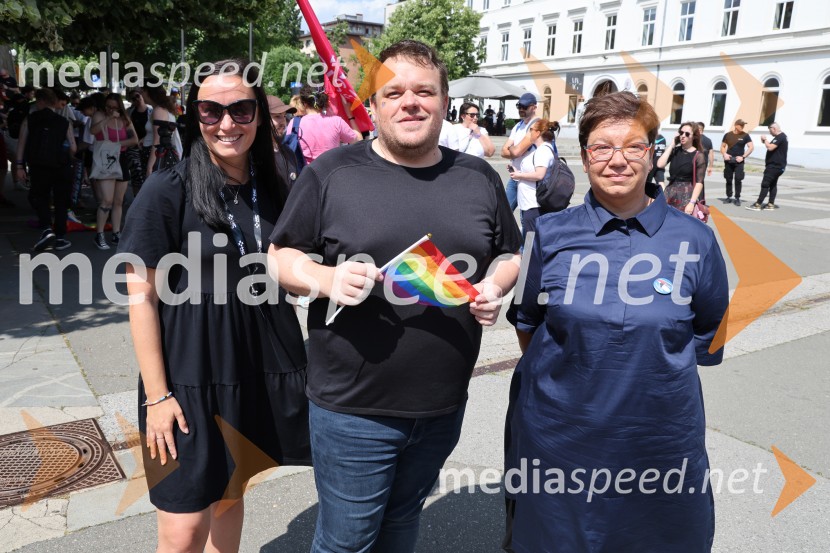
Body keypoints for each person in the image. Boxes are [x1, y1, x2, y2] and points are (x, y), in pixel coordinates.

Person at [268, 39, 522, 553]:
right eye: (394, 92)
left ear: (444, 101)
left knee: (403, 521)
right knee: (346, 542)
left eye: (424, 91)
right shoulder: (332, 173)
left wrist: (494, 286)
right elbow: (279, 257)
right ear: (375, 105)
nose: (410, 102)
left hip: (442, 404)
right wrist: (327, 280)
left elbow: (510, 252)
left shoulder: (476, 177)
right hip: (353, 409)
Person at [504, 90, 729, 552]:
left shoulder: (696, 240)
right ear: (585, 158)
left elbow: (706, 337)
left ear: (652, 155)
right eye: (602, 148)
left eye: (633, 147)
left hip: (658, 438)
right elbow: (527, 322)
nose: (618, 160)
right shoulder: (547, 234)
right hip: (561, 438)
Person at [118, 59, 310, 553]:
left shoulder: (275, 185)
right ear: (195, 116)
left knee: (229, 493)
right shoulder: (169, 188)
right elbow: (139, 298)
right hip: (184, 380)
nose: (227, 123)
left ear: (259, 116)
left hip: (251, 367)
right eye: (211, 110)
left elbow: (295, 269)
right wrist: (157, 398)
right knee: (182, 529)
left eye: (241, 109)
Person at [15, 88, 77, 251]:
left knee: (39, 196)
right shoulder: (64, 122)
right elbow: (73, 147)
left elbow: (21, 144)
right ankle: (61, 237)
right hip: (61, 166)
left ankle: (46, 228)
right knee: (61, 201)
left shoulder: (30, 119)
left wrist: (19, 165)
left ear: (40, 101)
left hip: (38, 166)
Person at [90, 93, 138, 249]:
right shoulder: (99, 115)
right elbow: (93, 131)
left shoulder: (124, 119)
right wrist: (107, 119)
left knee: (118, 200)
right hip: (106, 159)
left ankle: (116, 232)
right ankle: (100, 234)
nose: (111, 110)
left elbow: (134, 140)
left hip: (121, 157)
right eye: (108, 107)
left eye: (114, 107)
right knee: (106, 200)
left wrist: (116, 144)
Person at [507, 118, 557, 239]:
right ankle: (528, 257)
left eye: (531, 130)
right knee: (531, 239)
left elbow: (539, 174)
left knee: (531, 241)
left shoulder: (543, 151)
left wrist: (519, 175)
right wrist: (517, 171)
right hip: (530, 203)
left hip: (533, 204)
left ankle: (528, 258)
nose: (528, 133)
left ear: (538, 133)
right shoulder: (542, 150)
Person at [296, 84, 361, 164]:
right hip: (332, 173)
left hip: (307, 173)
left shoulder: (295, 124)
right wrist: (350, 116)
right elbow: (359, 143)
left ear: (304, 104)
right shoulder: (336, 121)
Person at [656, 121, 706, 215]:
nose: (683, 135)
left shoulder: (698, 156)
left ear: (694, 136)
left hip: (686, 195)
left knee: (680, 224)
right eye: (681, 133)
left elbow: (699, 182)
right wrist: (672, 145)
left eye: (687, 134)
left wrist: (692, 203)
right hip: (669, 192)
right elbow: (660, 164)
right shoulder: (675, 150)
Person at [501, 93, 539, 213]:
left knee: (526, 220)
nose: (521, 109)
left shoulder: (537, 125)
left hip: (531, 180)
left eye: (525, 107)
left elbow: (516, 151)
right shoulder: (518, 126)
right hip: (515, 177)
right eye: (519, 106)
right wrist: (516, 150)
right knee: (503, 214)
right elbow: (503, 151)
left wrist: (513, 149)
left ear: (534, 107)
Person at [746, 122, 788, 211]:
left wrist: (765, 140)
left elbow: (770, 147)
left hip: (774, 166)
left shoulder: (781, 137)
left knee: (765, 184)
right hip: (778, 166)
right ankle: (770, 204)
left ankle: (758, 204)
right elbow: (771, 147)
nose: (770, 133)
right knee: (773, 185)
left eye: (770, 131)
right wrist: (764, 141)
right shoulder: (780, 137)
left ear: (774, 129)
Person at [144, 84, 184, 176]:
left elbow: (158, 140)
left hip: (159, 157)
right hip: (159, 156)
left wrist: (150, 167)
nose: (141, 95)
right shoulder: (160, 109)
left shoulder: (159, 110)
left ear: (148, 92)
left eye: (142, 91)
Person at [266, 95, 300, 192]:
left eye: (284, 116)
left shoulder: (288, 152)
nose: (283, 122)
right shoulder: (255, 156)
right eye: (277, 116)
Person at [720, 118, 753, 206]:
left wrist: (743, 157)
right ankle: (728, 196)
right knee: (728, 179)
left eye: (743, 125)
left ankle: (737, 197)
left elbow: (751, 147)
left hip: (739, 161)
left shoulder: (745, 135)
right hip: (729, 160)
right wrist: (725, 154)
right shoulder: (728, 135)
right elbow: (722, 147)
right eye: (741, 125)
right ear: (736, 125)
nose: (742, 127)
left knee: (738, 179)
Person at [128, 89, 152, 195]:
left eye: (138, 96)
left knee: (148, 173)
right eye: (133, 98)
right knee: (136, 174)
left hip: (148, 145)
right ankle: (136, 199)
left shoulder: (151, 110)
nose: (137, 99)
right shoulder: (130, 112)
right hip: (134, 147)